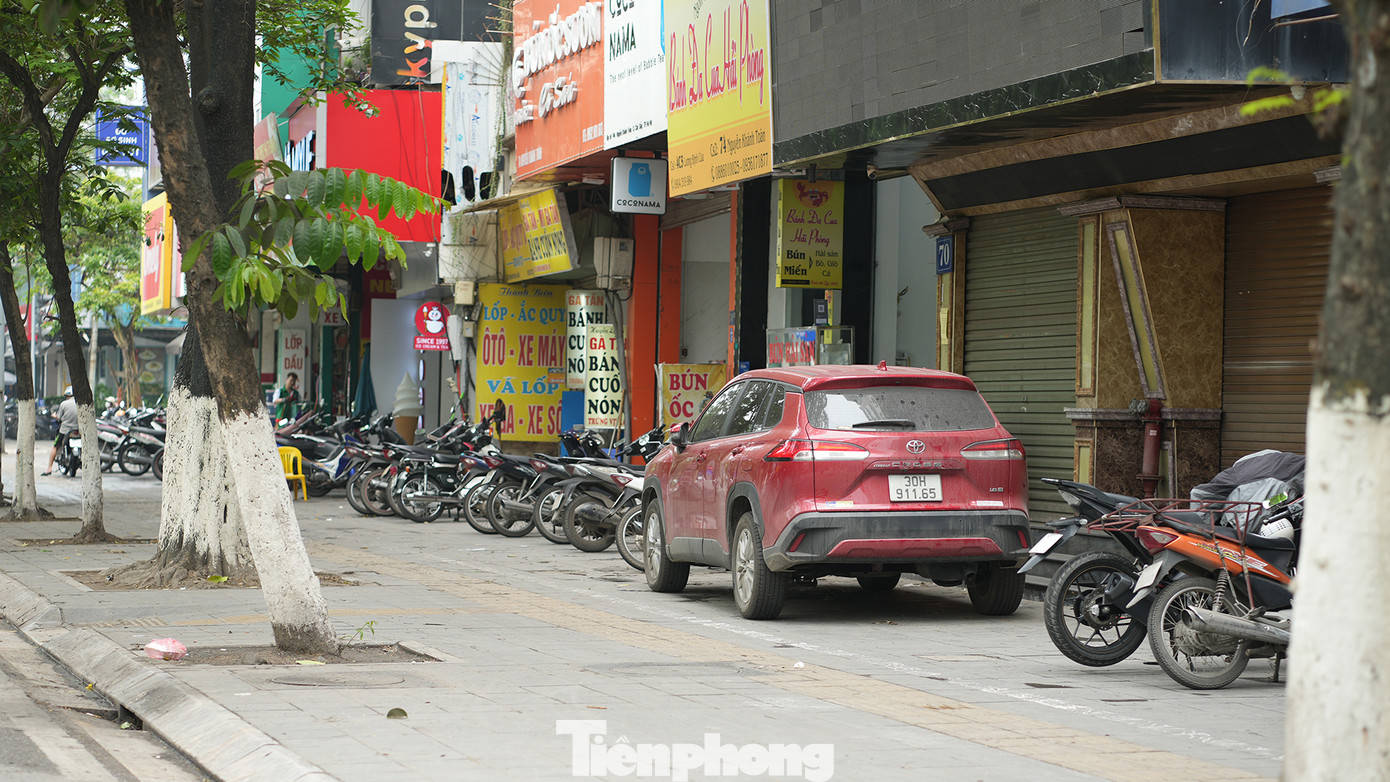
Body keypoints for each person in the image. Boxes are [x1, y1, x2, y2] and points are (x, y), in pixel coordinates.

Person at [42, 386, 79, 476]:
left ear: (68, 395)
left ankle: (49, 468)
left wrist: (54, 415)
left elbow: (58, 417)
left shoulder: (64, 404)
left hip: (65, 430)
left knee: (55, 446)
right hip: (78, 430)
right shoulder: (80, 403)